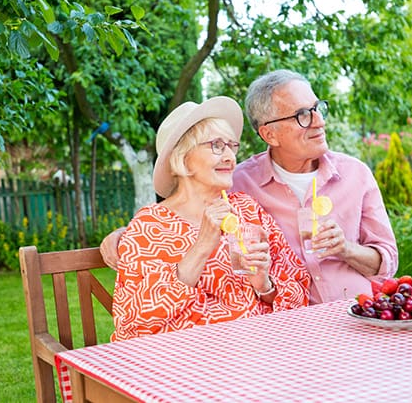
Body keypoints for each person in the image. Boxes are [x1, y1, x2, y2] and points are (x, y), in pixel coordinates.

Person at [102, 70, 397, 304]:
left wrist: (345, 249)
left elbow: (387, 263)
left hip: (358, 312)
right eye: (302, 115)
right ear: (269, 134)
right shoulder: (240, 183)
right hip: (290, 332)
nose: (318, 121)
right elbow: (182, 211)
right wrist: (125, 235)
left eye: (318, 108)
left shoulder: (355, 174)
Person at [111, 96, 310, 341]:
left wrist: (264, 285)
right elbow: (133, 321)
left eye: (232, 146)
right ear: (182, 158)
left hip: (259, 350)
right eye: (217, 145)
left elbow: (299, 284)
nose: (230, 157)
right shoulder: (150, 227)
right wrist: (203, 245)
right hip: (186, 361)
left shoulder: (247, 210)